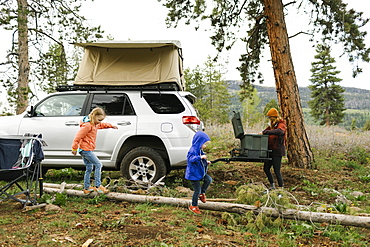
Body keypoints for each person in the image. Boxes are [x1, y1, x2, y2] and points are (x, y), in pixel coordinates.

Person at [72, 107, 118, 194]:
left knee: (89, 167)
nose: (100, 122)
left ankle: (86, 187)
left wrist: (111, 126)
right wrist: (74, 148)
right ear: (94, 116)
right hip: (86, 149)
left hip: (86, 149)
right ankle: (98, 186)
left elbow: (101, 125)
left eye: (101, 120)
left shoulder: (95, 124)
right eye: (99, 119)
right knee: (98, 164)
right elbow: (77, 137)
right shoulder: (87, 125)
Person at [185, 131, 212, 215]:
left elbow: (201, 161)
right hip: (193, 175)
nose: (205, 146)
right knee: (197, 190)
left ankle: (202, 193)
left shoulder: (200, 150)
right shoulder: (193, 150)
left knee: (208, 180)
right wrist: (200, 157)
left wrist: (206, 162)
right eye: (204, 144)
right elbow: (191, 159)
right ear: (199, 142)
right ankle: (193, 206)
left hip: (199, 173)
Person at [260, 108, 286, 190]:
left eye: (270, 118)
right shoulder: (271, 126)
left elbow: (280, 131)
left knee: (277, 171)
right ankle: (272, 186)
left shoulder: (281, 124)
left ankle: (281, 188)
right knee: (266, 168)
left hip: (277, 151)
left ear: (274, 118)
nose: (269, 120)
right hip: (270, 151)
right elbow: (265, 131)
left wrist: (266, 133)